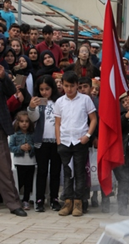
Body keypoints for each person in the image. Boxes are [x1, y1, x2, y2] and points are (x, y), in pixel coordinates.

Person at [54, 71, 97, 216]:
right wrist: (59, 141)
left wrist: (87, 136)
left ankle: (79, 202)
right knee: (67, 173)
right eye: (66, 86)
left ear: (77, 85)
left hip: (80, 141)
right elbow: (57, 123)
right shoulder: (60, 102)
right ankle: (68, 201)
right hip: (65, 141)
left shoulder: (85, 99)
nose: (69, 89)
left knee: (79, 173)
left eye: (72, 86)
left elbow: (93, 119)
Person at [27, 75, 62, 212]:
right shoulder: (37, 103)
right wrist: (31, 107)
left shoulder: (58, 102)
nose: (44, 92)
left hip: (56, 141)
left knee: (55, 171)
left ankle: (54, 198)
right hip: (41, 142)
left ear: (52, 89)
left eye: (47, 89)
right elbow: (33, 118)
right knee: (42, 171)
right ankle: (39, 199)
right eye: (41, 89)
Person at [0, 64, 27, 216]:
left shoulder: (1, 72)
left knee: (4, 169)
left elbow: (11, 92)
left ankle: (13, 203)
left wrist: (3, 77)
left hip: (0, 128)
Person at [9, 111, 36, 210]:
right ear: (18, 122)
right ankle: (15, 200)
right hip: (19, 162)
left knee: (28, 183)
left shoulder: (32, 134)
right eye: (22, 121)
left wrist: (31, 148)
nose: (24, 123)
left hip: (31, 162)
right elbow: (11, 147)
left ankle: (26, 200)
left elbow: (36, 147)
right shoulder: (15, 134)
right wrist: (20, 148)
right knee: (19, 182)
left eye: (26, 121)